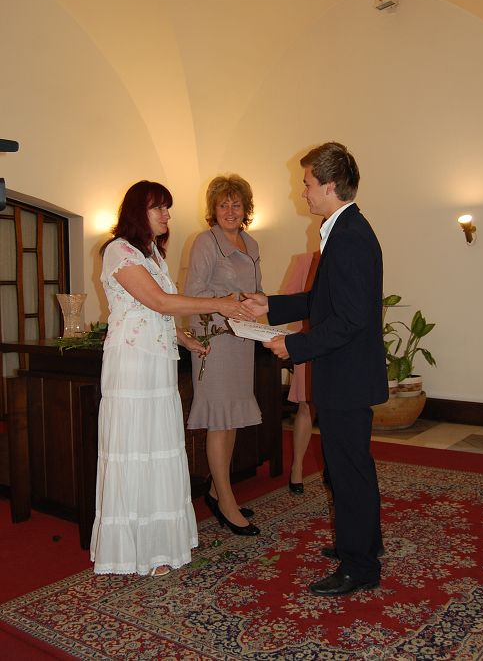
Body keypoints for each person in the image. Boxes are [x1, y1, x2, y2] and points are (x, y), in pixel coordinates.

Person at [243, 142, 387, 597]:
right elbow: (324, 301)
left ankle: (359, 566)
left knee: (347, 470)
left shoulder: (349, 237)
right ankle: (363, 544)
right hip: (346, 373)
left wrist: (293, 345)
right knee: (352, 466)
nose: (301, 192)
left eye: (306, 184)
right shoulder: (343, 230)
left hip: (346, 376)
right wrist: (270, 306)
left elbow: (349, 319)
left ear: (329, 186)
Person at [90, 180, 254, 576]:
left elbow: (155, 313)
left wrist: (184, 338)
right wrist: (219, 303)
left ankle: (159, 544)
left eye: (167, 207)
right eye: (158, 208)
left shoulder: (152, 255)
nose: (167, 215)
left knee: (160, 448)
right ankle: (134, 552)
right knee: (136, 450)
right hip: (132, 366)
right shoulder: (118, 251)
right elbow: (160, 301)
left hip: (159, 363)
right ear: (138, 212)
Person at [185, 175, 262, 536]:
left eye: (236, 204)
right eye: (223, 204)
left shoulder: (251, 243)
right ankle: (226, 503)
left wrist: (259, 312)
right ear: (213, 210)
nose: (230, 211)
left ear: (246, 208)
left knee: (231, 418)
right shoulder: (205, 242)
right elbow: (193, 293)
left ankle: (218, 491)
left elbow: (256, 291)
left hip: (241, 339)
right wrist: (227, 304)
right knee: (219, 419)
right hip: (213, 340)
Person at [282, 251, 320, 494]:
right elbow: (289, 303)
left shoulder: (347, 256)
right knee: (306, 404)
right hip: (307, 340)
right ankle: (297, 467)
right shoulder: (306, 261)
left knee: (335, 409)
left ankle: (335, 468)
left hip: (336, 344)